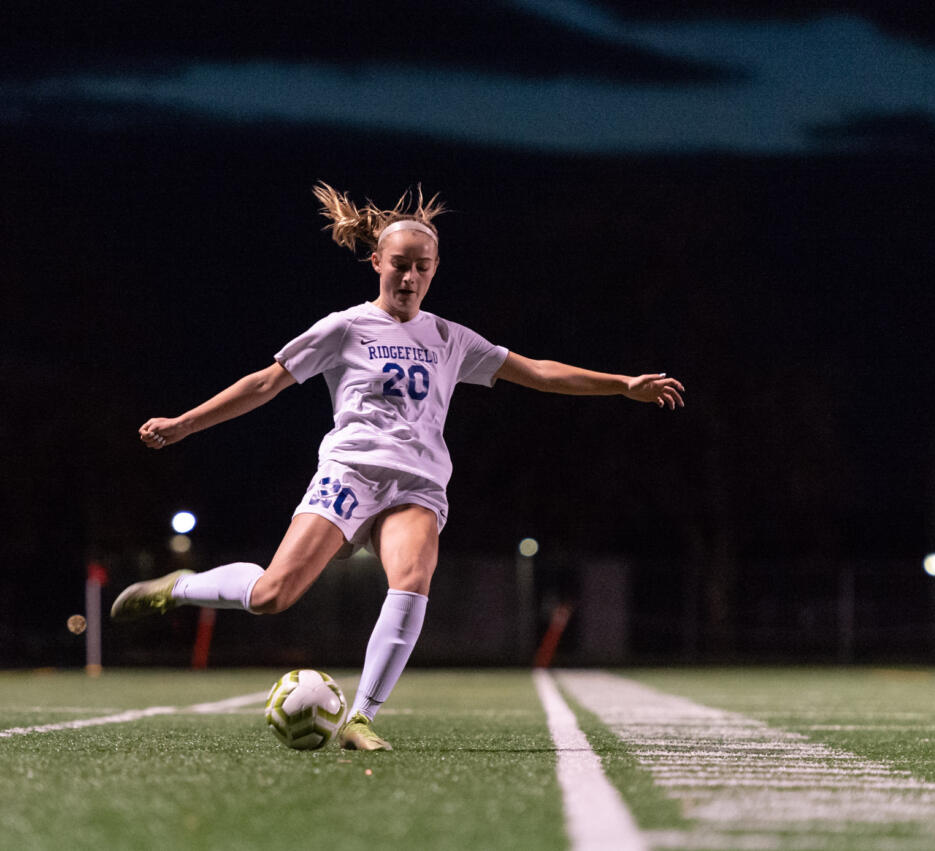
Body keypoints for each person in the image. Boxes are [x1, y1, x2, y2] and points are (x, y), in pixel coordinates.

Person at [111, 182, 685, 750]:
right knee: (272, 595)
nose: (410, 278)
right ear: (377, 262)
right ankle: (180, 588)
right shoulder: (344, 327)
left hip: (417, 484)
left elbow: (537, 371)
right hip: (349, 474)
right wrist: (184, 422)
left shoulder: (449, 337)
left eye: (423, 268)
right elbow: (265, 383)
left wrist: (621, 386)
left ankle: (360, 717)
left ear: (435, 270)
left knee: (411, 580)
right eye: (400, 265)